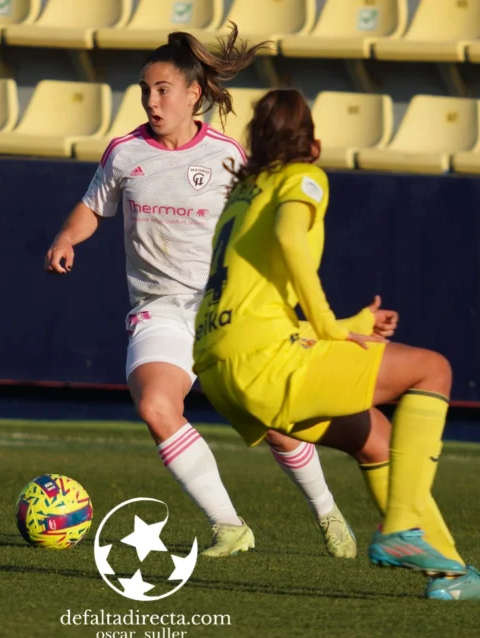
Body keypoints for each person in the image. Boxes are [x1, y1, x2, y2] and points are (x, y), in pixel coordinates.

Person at [44, 26, 380, 560]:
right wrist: (67, 234)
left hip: (226, 313)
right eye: (144, 90)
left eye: (162, 90)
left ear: (192, 93)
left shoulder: (229, 157)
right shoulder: (125, 152)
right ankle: (230, 526)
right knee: (156, 406)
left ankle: (328, 512)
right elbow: (93, 206)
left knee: (276, 424)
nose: (151, 101)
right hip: (159, 310)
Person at [192, 89, 480, 601]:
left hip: (221, 368)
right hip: (263, 362)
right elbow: (289, 238)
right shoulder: (304, 176)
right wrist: (328, 326)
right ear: (314, 146)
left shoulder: (244, 192)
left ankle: (452, 576)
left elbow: (258, 304)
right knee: (433, 369)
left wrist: (352, 322)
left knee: (376, 437)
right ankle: (402, 531)